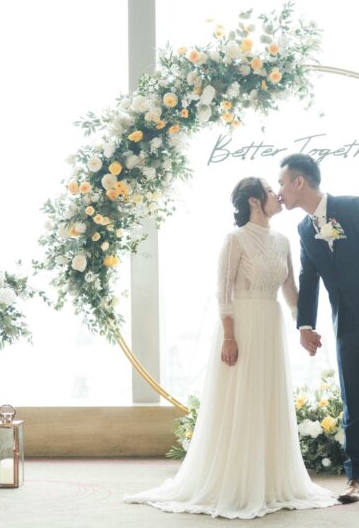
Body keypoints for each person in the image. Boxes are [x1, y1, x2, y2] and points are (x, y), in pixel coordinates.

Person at [125, 177, 336, 519]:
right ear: (254, 200)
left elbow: (290, 291)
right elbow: (223, 292)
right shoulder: (235, 240)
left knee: (267, 396)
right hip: (242, 326)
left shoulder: (282, 240)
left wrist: (304, 328)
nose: (278, 195)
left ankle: (269, 481)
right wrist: (228, 336)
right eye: (271, 191)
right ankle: (237, 481)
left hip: (270, 323)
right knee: (241, 397)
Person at [277, 154, 359, 507]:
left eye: (282, 183)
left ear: (299, 182)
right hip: (346, 326)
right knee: (353, 403)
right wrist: (305, 325)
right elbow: (308, 278)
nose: (279, 191)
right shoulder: (304, 229)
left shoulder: (352, 207)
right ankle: (357, 478)